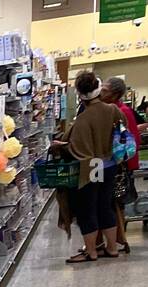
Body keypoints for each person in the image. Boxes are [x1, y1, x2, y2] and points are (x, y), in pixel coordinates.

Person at [52, 71, 122, 264]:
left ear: (80, 93)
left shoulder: (84, 118)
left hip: (92, 166)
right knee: (105, 206)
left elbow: (79, 149)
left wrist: (61, 145)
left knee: (87, 209)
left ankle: (90, 252)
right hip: (110, 164)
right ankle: (113, 247)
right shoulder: (112, 110)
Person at [101, 76, 139, 253]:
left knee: (117, 203)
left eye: (106, 89)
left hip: (120, 165)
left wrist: (124, 163)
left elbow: (130, 142)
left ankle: (120, 239)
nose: (102, 91)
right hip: (112, 164)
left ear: (115, 93)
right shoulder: (109, 109)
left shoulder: (122, 111)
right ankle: (117, 239)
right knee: (112, 203)